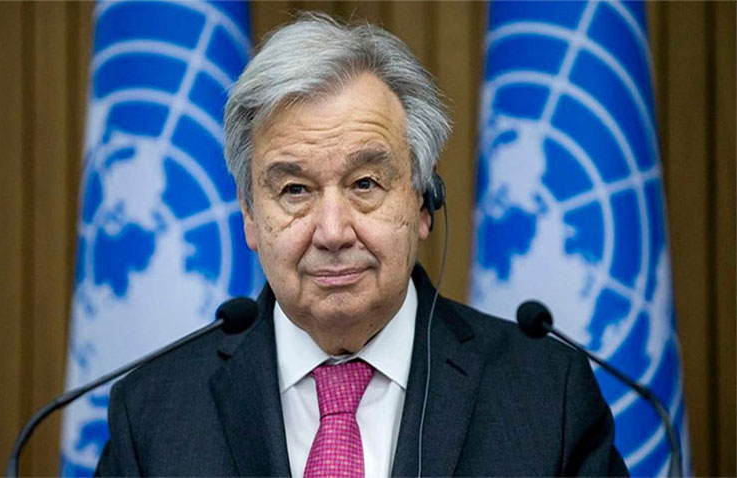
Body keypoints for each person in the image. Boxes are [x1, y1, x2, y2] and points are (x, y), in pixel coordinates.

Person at [95, 13, 628, 477]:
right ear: (251, 217)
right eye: (295, 190)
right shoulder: (153, 413)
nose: (332, 232)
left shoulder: (547, 396)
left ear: (424, 202)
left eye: (365, 184)